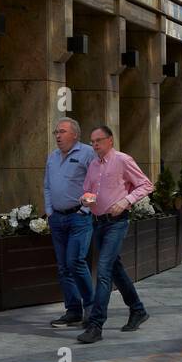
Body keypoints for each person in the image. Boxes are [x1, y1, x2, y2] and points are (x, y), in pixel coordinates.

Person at [76, 125, 153, 344]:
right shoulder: (92, 165)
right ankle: (137, 309)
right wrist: (86, 199)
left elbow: (146, 185)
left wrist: (125, 201)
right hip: (98, 223)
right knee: (115, 269)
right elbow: (88, 192)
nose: (95, 145)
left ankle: (96, 325)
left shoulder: (123, 160)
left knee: (103, 271)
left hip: (117, 223)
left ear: (110, 140)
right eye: (92, 141)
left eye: (98, 140)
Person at [45, 118, 96, 330]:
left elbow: (97, 184)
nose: (58, 135)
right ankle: (73, 310)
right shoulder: (52, 157)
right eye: (56, 132)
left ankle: (92, 309)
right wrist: (49, 212)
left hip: (79, 218)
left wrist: (85, 209)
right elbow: (47, 186)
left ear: (75, 134)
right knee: (64, 267)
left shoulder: (87, 153)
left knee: (75, 262)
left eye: (62, 131)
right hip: (57, 218)